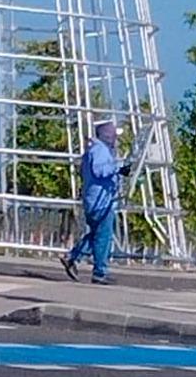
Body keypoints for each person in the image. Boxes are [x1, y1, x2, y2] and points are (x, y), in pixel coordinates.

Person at [62, 120, 130, 285]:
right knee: (103, 236)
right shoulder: (100, 150)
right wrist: (118, 169)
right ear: (108, 135)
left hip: (95, 198)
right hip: (100, 200)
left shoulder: (94, 149)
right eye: (115, 135)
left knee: (96, 234)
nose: (116, 139)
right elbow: (100, 171)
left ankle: (73, 257)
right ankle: (99, 272)